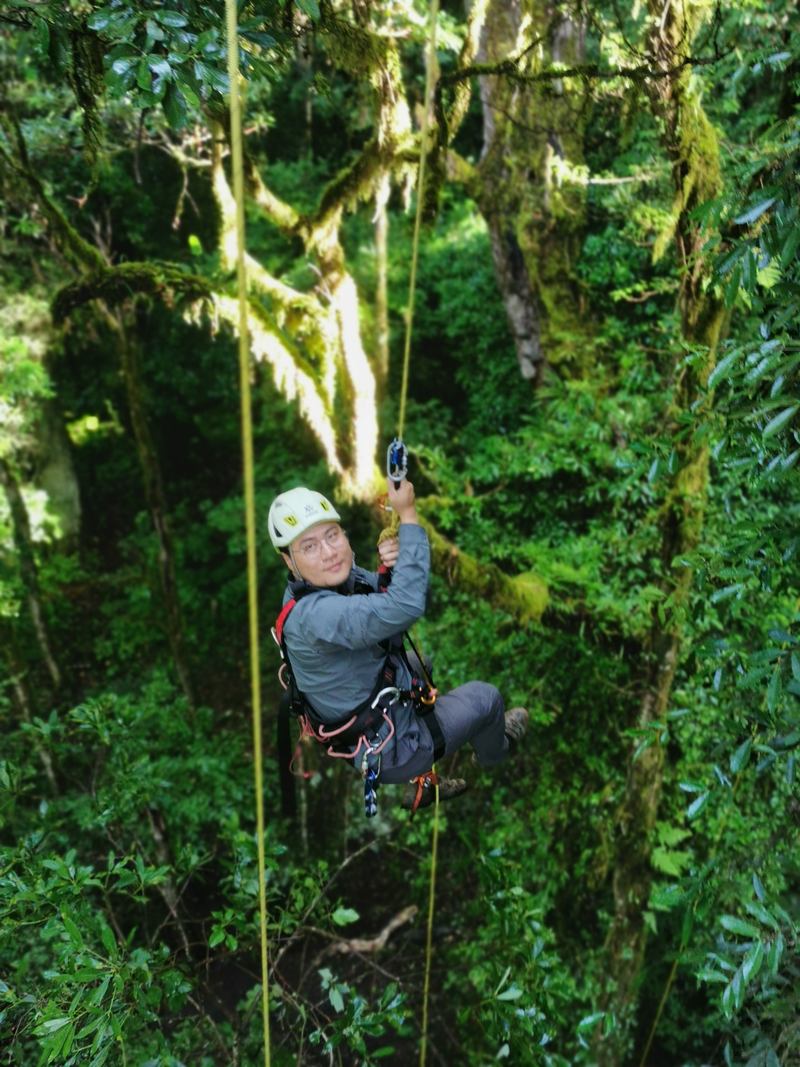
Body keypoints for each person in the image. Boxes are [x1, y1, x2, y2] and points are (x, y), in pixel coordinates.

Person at [269, 479, 528, 811]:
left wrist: (393, 567)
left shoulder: (334, 583)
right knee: (486, 699)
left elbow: (396, 597)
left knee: (420, 666)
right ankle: (494, 752)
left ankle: (421, 779)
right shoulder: (316, 615)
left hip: (366, 716)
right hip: (387, 750)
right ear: (289, 561)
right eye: (309, 546)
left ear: (344, 535)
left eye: (332, 535)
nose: (329, 552)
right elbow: (406, 607)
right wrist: (407, 516)